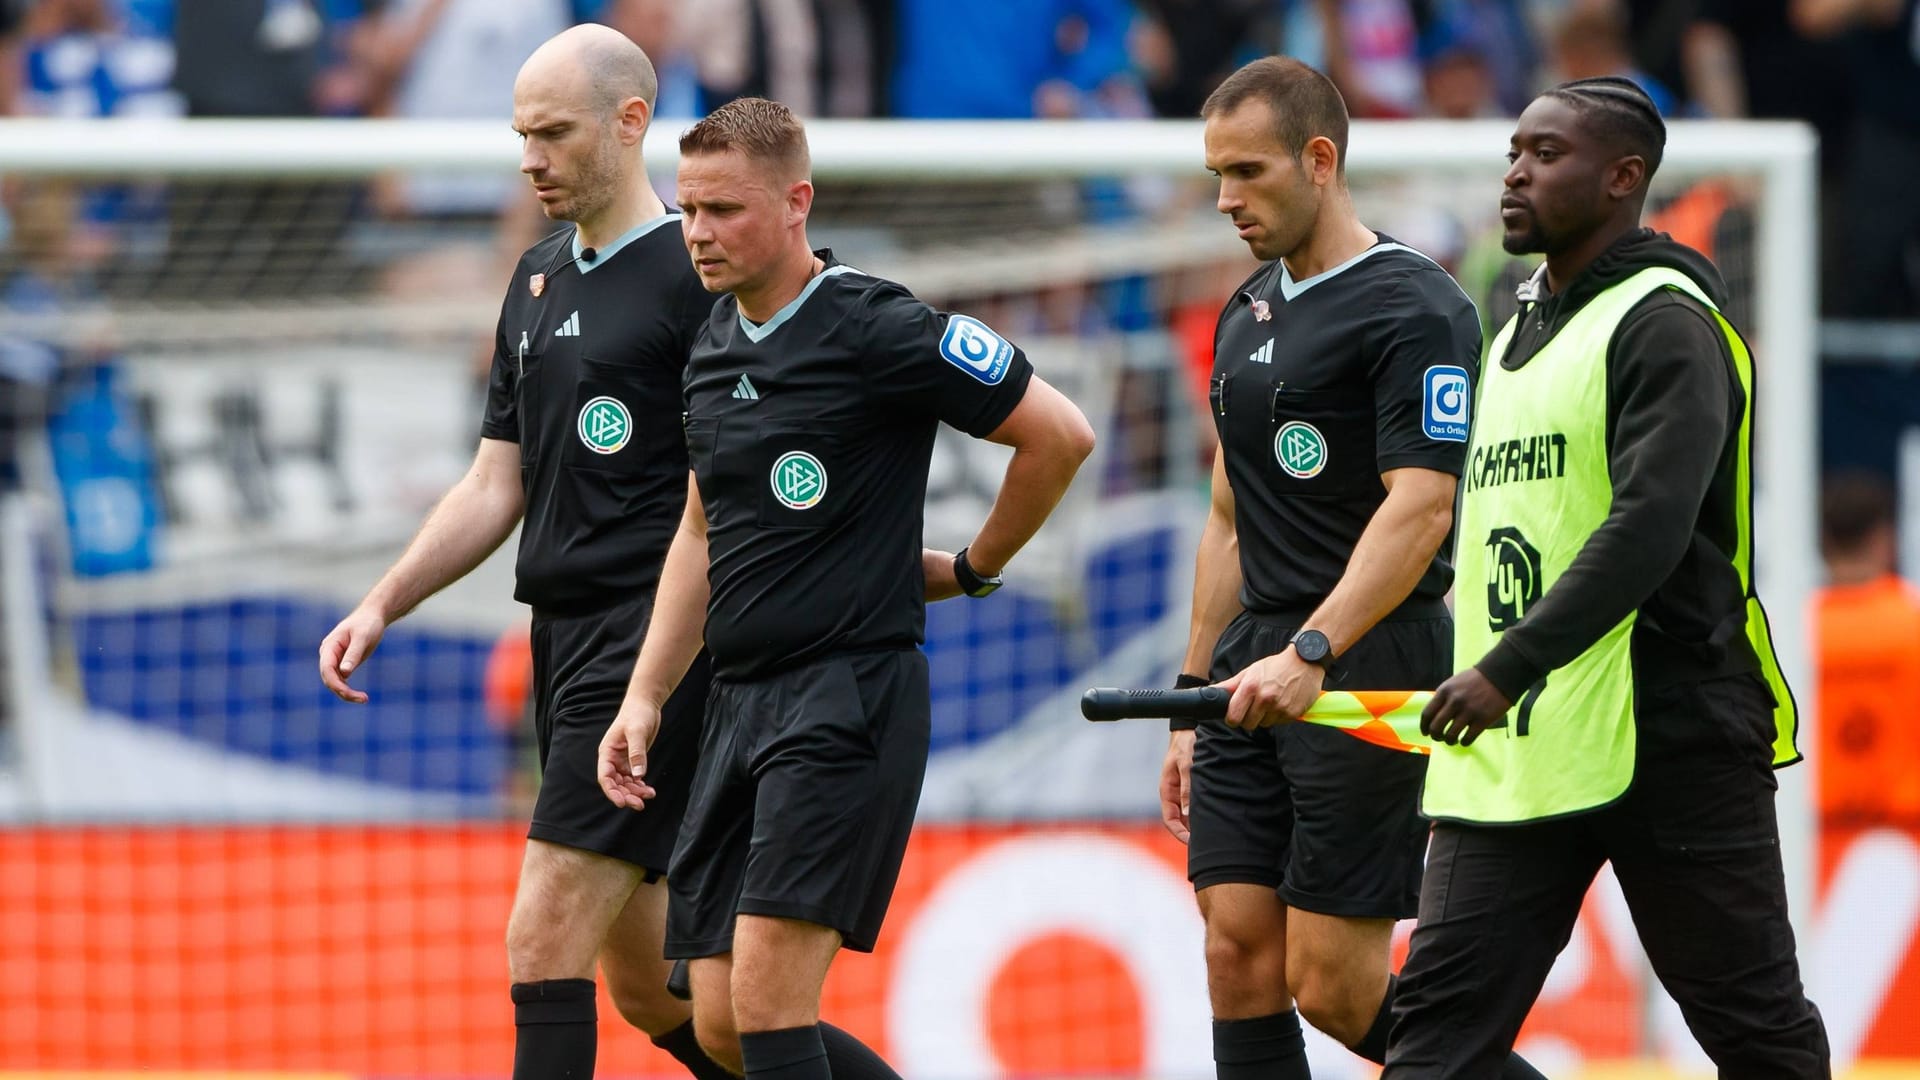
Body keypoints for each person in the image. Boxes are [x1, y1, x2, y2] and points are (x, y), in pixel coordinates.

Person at [595, 96, 1095, 1080]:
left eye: (724, 211)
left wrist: (981, 567)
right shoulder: (710, 346)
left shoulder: (875, 323)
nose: (698, 233)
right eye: (689, 210)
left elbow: (1060, 433)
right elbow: (701, 528)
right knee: (722, 1023)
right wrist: (646, 694)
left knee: (773, 1002)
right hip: (738, 702)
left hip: (844, 698)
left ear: (797, 204)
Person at [316, 25, 733, 1080]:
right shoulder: (539, 276)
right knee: (659, 994)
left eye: (552, 132)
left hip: (649, 649)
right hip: (560, 643)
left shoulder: (699, 278)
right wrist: (383, 601)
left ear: (630, 123)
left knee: (541, 938)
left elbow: (726, 492)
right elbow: (494, 480)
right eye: (521, 135)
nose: (530, 158)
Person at [1392, 77, 1831, 1076]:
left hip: (1671, 729)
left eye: (1546, 154)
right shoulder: (1505, 339)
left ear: (1622, 178)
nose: (1515, 172)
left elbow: (1651, 528)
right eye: (1513, 150)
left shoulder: (1665, 321)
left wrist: (1507, 666)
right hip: (1523, 745)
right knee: (1436, 1042)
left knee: (1753, 1028)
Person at [1165, 56, 1544, 1078]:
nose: (1226, 199)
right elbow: (1228, 518)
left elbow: (1421, 507)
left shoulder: (1415, 308)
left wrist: (1314, 649)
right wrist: (1192, 698)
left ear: (1320, 159)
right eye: (1215, 176)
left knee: (1332, 988)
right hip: (1254, 661)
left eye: (1246, 172)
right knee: (1234, 949)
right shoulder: (1244, 311)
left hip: (1367, 658)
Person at [1815, 471, 1920, 830]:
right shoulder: (1912, 624)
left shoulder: (1793, 634)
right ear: (1885, 539)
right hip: (1903, 835)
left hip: (1812, 840)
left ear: (1823, 542)